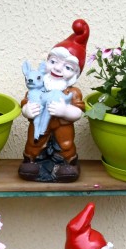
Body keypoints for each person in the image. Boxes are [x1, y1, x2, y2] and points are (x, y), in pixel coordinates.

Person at [19, 19, 89, 182]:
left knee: (65, 146)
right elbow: (26, 102)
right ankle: (32, 161)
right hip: (39, 130)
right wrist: (27, 110)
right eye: (53, 62)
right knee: (34, 144)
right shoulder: (38, 88)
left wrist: (65, 111)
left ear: (75, 74)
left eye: (67, 67)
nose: (57, 68)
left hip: (62, 129)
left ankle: (67, 164)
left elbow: (78, 112)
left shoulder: (72, 92)